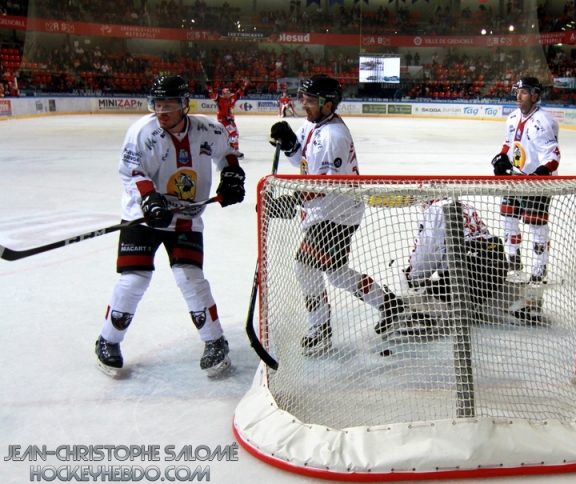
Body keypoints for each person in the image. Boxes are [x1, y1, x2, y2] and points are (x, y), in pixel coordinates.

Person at [94, 75, 246, 377]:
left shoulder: (206, 129)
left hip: (186, 217)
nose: (162, 112)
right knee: (133, 280)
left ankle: (215, 342)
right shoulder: (141, 132)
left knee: (190, 278)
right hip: (143, 216)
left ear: (184, 105)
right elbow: (131, 171)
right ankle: (107, 340)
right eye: (157, 104)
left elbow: (226, 152)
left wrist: (232, 175)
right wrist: (149, 199)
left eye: (169, 105)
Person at [268, 74, 405, 355]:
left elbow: (329, 186)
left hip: (338, 213)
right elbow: (304, 163)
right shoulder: (313, 123)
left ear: (328, 104)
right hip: (325, 211)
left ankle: (320, 326)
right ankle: (389, 304)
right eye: (302, 98)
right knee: (337, 274)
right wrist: (289, 143)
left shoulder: (334, 136)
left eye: (309, 100)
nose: (303, 105)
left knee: (305, 266)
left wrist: (293, 200)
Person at [404, 199, 544, 325]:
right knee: (485, 293)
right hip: (496, 264)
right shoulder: (465, 205)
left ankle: (424, 315)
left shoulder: (435, 209)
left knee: (433, 294)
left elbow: (427, 251)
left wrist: (413, 275)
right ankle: (516, 299)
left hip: (466, 271)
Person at [490, 77, 560, 290]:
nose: (518, 96)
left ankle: (540, 268)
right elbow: (508, 143)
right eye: (517, 91)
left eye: (524, 92)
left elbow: (553, 155)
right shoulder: (512, 118)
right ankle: (513, 260)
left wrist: (539, 174)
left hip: (537, 183)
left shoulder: (544, 122)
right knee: (507, 218)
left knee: (536, 225)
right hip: (516, 177)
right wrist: (502, 158)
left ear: (535, 95)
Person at [208, 80, 247, 158]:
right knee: (233, 134)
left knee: (235, 135)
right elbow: (213, 95)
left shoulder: (232, 98)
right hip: (223, 121)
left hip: (231, 120)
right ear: (223, 94)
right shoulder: (220, 99)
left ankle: (233, 150)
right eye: (226, 94)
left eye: (228, 93)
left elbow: (240, 93)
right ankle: (233, 150)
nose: (228, 95)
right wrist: (210, 88)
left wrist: (243, 86)